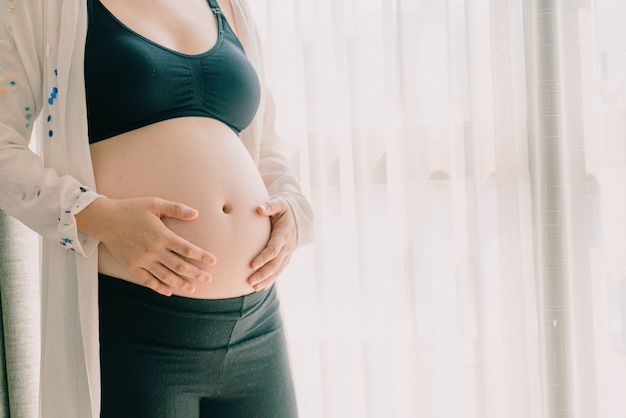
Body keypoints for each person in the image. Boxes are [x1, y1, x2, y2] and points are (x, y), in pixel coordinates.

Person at [0, 0, 313, 416]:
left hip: (256, 324)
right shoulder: (44, 6)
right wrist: (93, 214)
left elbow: (266, 144)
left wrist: (291, 206)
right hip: (138, 328)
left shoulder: (228, 6)